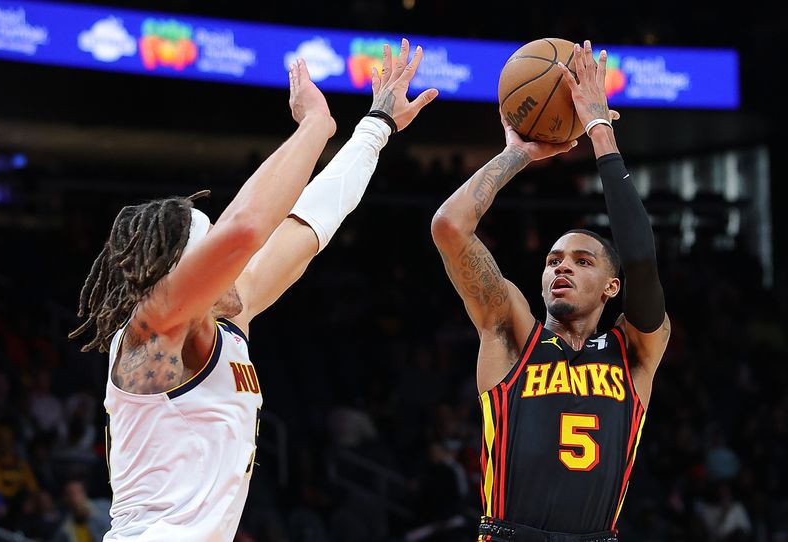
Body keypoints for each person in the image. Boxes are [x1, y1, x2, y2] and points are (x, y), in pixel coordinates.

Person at [69, 39, 437, 541]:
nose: (233, 266)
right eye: (211, 254)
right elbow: (245, 230)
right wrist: (315, 125)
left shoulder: (227, 317)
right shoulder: (153, 327)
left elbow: (310, 224)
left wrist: (375, 126)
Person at [431, 40, 669, 541]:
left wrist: (600, 130)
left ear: (612, 287)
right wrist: (515, 155)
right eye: (553, 260)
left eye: (582, 262)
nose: (561, 268)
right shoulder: (512, 333)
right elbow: (450, 227)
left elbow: (643, 259)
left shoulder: (635, 353)